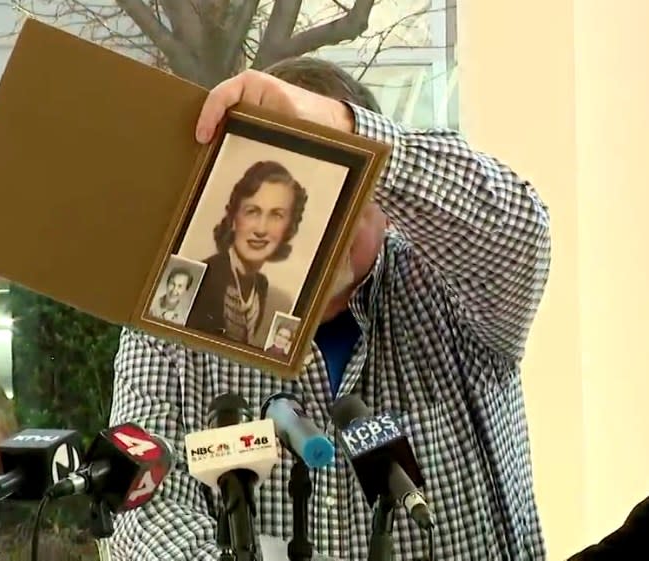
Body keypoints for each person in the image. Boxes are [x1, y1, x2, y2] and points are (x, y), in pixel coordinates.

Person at [108, 56, 550, 560]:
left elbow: (521, 232)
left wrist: (342, 128)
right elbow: (142, 513)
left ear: (386, 202)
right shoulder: (176, 320)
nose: (317, 234)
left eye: (344, 200)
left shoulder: (445, 287)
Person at [185, 160, 308, 348]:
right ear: (234, 218)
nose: (261, 229)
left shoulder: (260, 286)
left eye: (276, 215)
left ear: (288, 228)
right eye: (252, 211)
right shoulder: (203, 278)